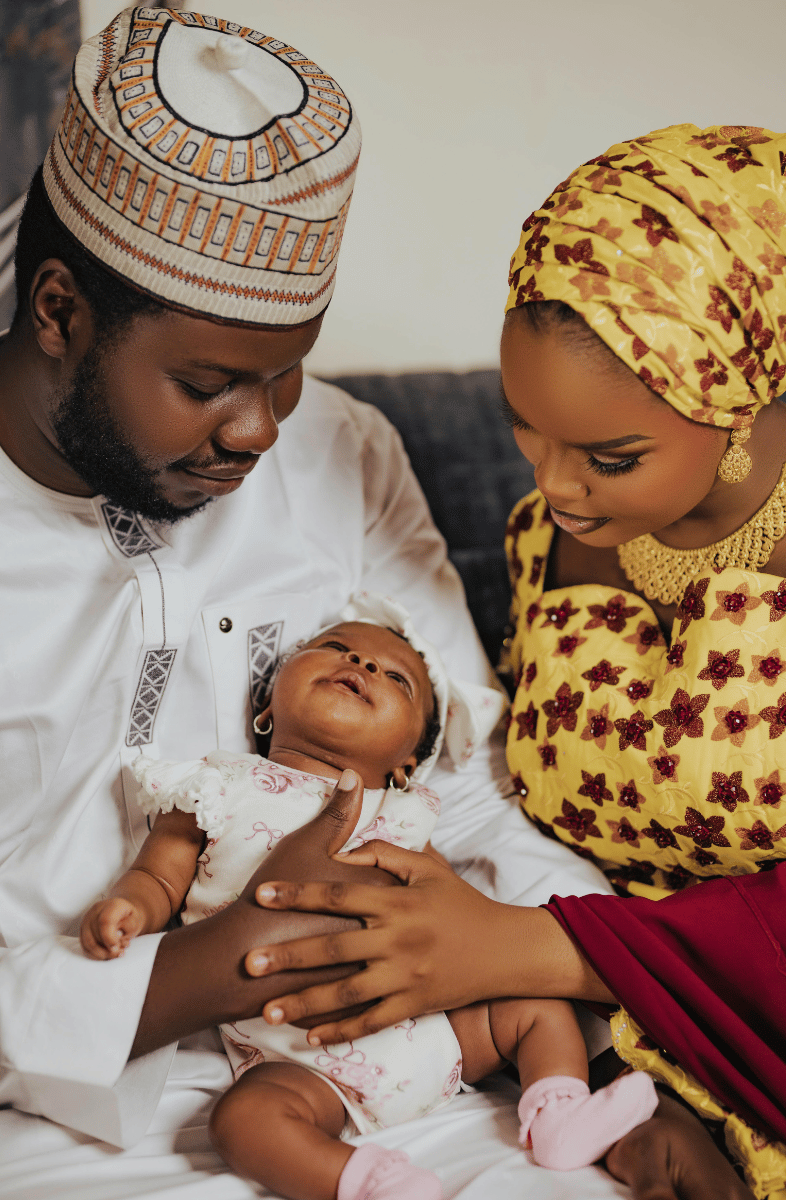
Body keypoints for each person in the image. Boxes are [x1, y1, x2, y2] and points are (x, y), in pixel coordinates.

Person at [1, 11, 638, 1200]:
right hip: (64, 1128)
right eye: (207, 383)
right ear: (58, 311)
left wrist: (623, 1053)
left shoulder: (344, 448)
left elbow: (473, 792)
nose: (259, 432)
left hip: (426, 1081)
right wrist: (215, 963)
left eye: (286, 370)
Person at [245, 124, 786, 1200]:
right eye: (524, 429)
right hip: (612, 1029)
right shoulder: (549, 537)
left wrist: (529, 949)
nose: (556, 487)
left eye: (610, 457)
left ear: (751, 401)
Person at [80, 599, 658, 1200]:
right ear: (266, 706)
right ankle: (367, 1182)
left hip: (436, 1029)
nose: (362, 664)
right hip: (302, 1060)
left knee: (536, 1004)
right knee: (242, 1121)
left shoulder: (404, 815)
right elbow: (159, 876)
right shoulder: (216, 785)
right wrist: (131, 909)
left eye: (397, 679)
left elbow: (450, 908)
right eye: (335, 648)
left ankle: (558, 1113)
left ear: (407, 765)